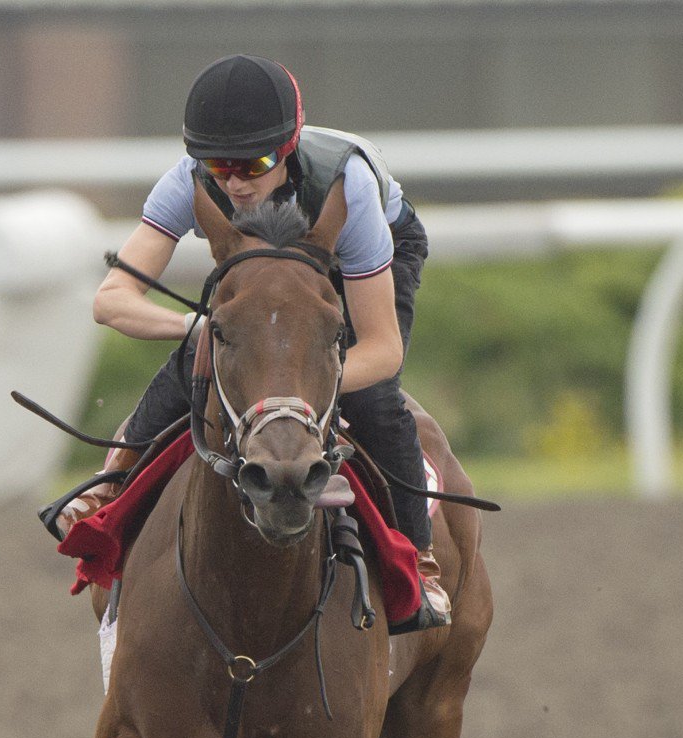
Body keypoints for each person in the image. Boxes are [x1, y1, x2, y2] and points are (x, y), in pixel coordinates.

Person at [67, 54, 448, 630]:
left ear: (290, 147)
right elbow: (111, 300)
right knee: (200, 356)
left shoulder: (350, 186)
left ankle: (418, 562)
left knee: (371, 398)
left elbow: (382, 349)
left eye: (255, 165)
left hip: (351, 259)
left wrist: (301, 375)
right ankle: (107, 492)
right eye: (219, 167)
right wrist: (201, 334)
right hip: (256, 270)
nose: (236, 182)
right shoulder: (188, 180)